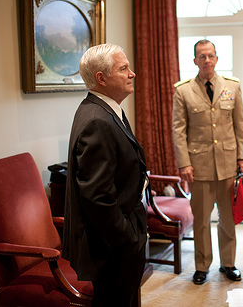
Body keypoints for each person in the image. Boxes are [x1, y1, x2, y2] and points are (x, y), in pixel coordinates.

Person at [62, 43, 149, 307]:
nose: (132, 74)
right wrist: (127, 238)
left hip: (122, 236)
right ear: (101, 78)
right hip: (112, 248)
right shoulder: (97, 120)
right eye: (124, 69)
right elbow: (97, 197)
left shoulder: (108, 109)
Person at [172, 39, 243, 285]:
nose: (207, 60)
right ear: (195, 60)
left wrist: (242, 157)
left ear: (216, 59)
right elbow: (179, 130)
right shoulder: (183, 90)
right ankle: (202, 266)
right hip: (199, 167)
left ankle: (228, 264)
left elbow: (240, 125)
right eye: (201, 56)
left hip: (227, 164)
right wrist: (184, 163)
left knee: (228, 220)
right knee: (202, 221)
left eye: (211, 56)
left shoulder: (232, 87)